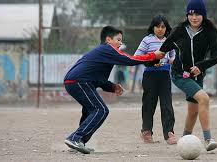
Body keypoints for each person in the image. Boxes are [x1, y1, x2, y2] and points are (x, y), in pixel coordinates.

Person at [63, 26, 164, 154]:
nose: (120, 43)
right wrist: (153, 55)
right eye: (118, 39)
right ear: (108, 39)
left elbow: (99, 79)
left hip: (76, 81)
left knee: (90, 111)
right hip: (79, 82)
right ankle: (75, 138)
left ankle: (79, 142)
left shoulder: (103, 52)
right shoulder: (107, 49)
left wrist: (112, 87)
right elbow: (130, 60)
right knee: (101, 110)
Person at [157, 0, 217, 151]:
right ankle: (208, 139)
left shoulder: (210, 32)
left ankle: (185, 141)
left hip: (198, 76)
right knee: (204, 98)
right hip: (180, 75)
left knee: (193, 111)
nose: (194, 17)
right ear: (187, 15)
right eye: (191, 14)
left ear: (203, 15)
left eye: (198, 14)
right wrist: (149, 59)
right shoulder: (179, 30)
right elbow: (163, 50)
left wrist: (201, 66)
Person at [134, 15, 177, 145]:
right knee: (149, 104)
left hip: (164, 76)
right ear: (153, 27)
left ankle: (169, 133)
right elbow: (137, 56)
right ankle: (146, 131)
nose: (160, 29)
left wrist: (172, 61)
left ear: (166, 28)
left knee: (167, 105)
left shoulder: (169, 41)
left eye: (163, 27)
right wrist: (152, 60)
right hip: (150, 76)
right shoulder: (147, 40)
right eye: (157, 26)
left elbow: (172, 58)